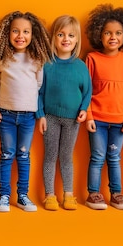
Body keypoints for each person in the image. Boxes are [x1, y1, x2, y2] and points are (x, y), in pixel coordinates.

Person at [0, 11, 52, 212]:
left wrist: (39, 113)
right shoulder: (2, 59)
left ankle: (22, 195)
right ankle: (4, 196)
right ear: (7, 33)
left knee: (23, 155)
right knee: (7, 154)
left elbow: (39, 86)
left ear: (33, 35)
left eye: (25, 32)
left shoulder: (36, 59)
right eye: (15, 31)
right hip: (6, 115)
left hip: (28, 117)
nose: (20, 36)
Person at [37, 15, 91, 211]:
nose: (66, 39)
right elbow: (39, 91)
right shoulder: (47, 64)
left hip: (73, 119)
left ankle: (68, 193)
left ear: (76, 39)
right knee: (50, 156)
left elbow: (87, 92)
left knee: (66, 156)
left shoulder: (80, 66)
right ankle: (49, 195)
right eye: (61, 34)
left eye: (70, 35)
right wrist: (41, 114)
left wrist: (84, 110)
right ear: (54, 38)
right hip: (50, 117)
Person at [84, 4, 123, 210]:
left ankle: (116, 193)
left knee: (114, 157)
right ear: (99, 35)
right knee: (97, 156)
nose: (113, 37)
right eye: (108, 33)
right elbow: (86, 90)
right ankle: (93, 194)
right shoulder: (92, 58)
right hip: (97, 118)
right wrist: (88, 116)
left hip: (119, 120)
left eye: (118, 33)